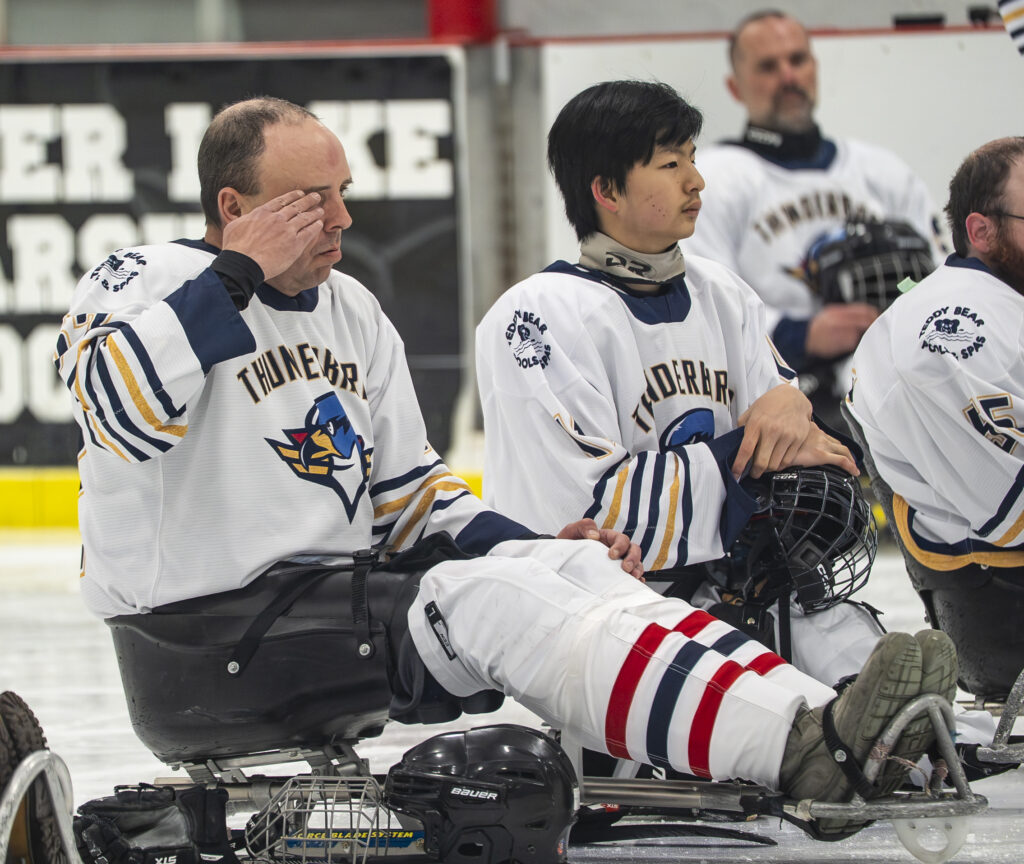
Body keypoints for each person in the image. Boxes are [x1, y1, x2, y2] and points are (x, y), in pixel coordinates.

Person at [55, 96, 952, 841]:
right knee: (483, 603)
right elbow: (113, 411)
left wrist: (537, 543)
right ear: (234, 206)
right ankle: (795, 747)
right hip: (202, 636)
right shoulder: (137, 278)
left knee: (566, 567)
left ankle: (831, 728)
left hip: (327, 606)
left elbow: (410, 496)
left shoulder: (353, 309)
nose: (342, 220)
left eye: (344, 194)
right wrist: (237, 275)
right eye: (310, 201)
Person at [476, 79, 884, 689]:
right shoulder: (536, 317)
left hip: (733, 584)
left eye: (692, 159)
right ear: (606, 190)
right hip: (610, 612)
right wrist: (745, 458)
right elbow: (590, 511)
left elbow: (786, 423)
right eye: (671, 164)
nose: (696, 181)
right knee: (791, 713)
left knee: (866, 658)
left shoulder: (721, 292)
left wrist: (790, 404)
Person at [684, 10, 946, 429]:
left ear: (815, 68)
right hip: (780, 405)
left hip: (900, 396)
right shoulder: (714, 178)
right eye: (768, 66)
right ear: (735, 87)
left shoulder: (881, 171)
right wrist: (801, 335)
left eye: (798, 60)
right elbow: (701, 303)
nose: (788, 76)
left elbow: (940, 277)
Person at [847, 137, 1024, 720]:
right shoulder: (951, 328)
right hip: (1004, 611)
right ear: (982, 231)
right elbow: (1010, 510)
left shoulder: (1000, 306)